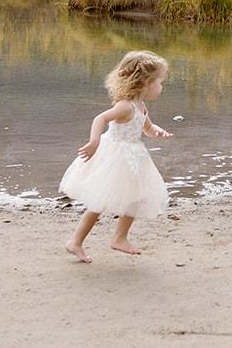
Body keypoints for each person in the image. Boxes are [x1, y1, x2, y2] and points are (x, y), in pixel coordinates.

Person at [60, 50, 174, 262]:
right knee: (100, 202)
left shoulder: (141, 106)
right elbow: (100, 119)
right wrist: (94, 141)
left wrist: (156, 131)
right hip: (116, 157)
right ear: (144, 82)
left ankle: (119, 237)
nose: (161, 87)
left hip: (134, 157)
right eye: (159, 82)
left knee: (136, 196)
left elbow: (147, 128)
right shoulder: (125, 106)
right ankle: (75, 242)